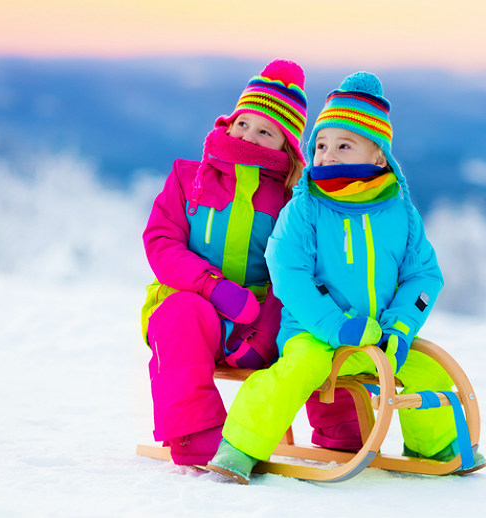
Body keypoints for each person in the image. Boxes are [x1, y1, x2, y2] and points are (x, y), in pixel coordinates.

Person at [206, 71, 486, 484]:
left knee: (427, 369)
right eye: (320, 145)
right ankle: (241, 445)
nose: (327, 155)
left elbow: (424, 275)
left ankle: (435, 448)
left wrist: (401, 325)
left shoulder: (400, 213)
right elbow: (288, 272)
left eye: (343, 145)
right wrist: (335, 325)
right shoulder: (305, 208)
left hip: (376, 334)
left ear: (378, 157)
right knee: (297, 371)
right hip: (313, 331)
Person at [140, 59, 308, 468]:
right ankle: (197, 437)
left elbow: (295, 269)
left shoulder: (292, 202)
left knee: (309, 339)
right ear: (228, 123)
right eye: (243, 124)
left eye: (265, 131)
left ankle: (342, 434)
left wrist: (267, 328)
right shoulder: (187, 178)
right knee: (181, 314)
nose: (248, 135)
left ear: (284, 147)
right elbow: (161, 241)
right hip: (189, 301)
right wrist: (212, 286)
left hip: (255, 319)